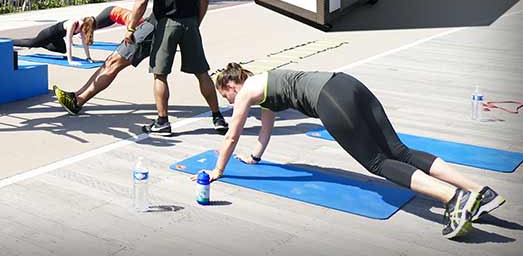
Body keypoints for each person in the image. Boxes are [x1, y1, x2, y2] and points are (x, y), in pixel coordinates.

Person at [199, 63, 505, 239]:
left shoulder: (246, 93)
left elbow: (230, 136)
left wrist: (218, 171)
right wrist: (254, 157)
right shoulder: (266, 84)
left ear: (232, 84)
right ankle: (480, 191)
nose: (228, 101)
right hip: (347, 83)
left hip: (330, 99)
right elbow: (265, 130)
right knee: (400, 150)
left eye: (225, 94)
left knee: (377, 162)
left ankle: (454, 198)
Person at [53, 0, 221, 130]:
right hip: (181, 28)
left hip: (154, 27)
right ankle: (217, 117)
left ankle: (78, 101)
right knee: (200, 72)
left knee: (115, 62)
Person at [124, 0, 226, 135]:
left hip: (166, 24)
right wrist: (197, 21)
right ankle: (217, 117)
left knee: (160, 74)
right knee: (201, 72)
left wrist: (131, 28)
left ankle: (163, 122)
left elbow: (142, 1)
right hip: (189, 23)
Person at [12, 5, 143, 64]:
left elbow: (84, 43)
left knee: (60, 50)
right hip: (49, 33)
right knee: (32, 43)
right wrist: (70, 60)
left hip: (57, 38)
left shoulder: (83, 26)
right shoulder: (73, 24)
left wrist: (88, 58)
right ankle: (10, 41)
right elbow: (69, 42)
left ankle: (42, 45)